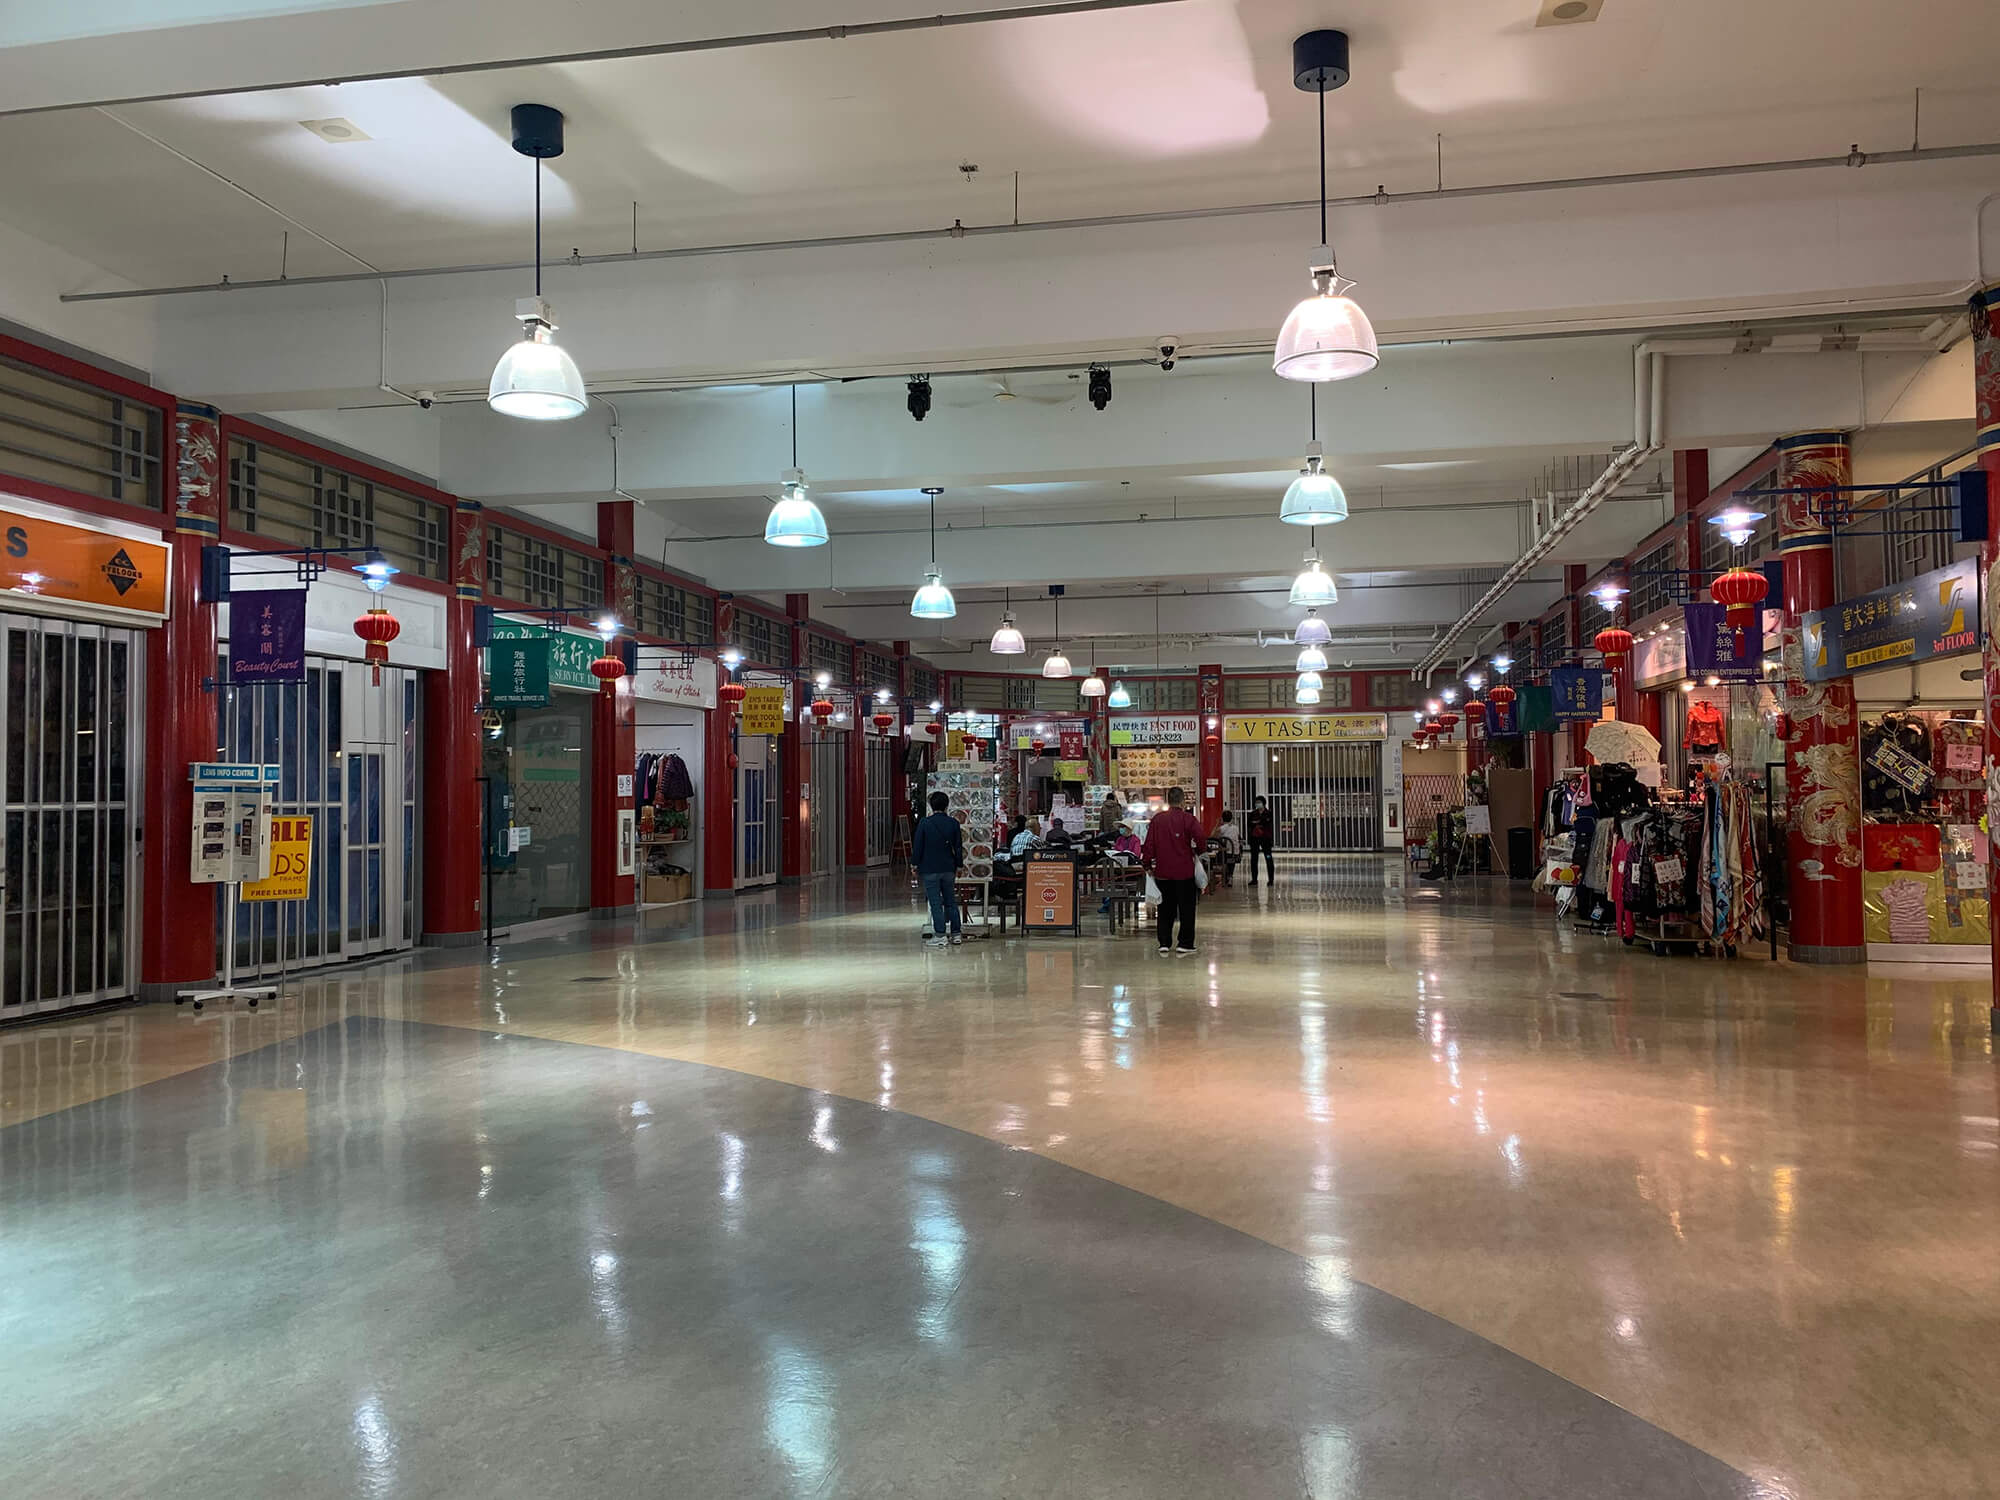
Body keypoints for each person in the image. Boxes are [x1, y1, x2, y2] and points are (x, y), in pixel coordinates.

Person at [1142, 786, 1206, 955]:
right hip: (1184, 872)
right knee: (1186, 909)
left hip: (1163, 872)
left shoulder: (1157, 820)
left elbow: (1149, 845)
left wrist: (1147, 865)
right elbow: (1201, 839)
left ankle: (1164, 942)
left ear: (1168, 801)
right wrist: (1198, 852)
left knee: (1164, 909)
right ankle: (1184, 943)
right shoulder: (1189, 819)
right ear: (1183, 801)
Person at [911, 791, 965, 946]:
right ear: (947, 805)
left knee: (935, 903)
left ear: (931, 805)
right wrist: (959, 865)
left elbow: (918, 846)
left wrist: (914, 864)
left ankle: (940, 934)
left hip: (930, 869)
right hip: (949, 868)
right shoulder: (953, 823)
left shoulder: (924, 823)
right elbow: (958, 847)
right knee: (951, 902)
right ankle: (956, 934)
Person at [1246, 795, 1276, 886]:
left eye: (1259, 802)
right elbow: (1250, 824)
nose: (1257, 804)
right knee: (1254, 859)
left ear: (1263, 803)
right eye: (1256, 802)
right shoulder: (1252, 814)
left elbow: (1267, 823)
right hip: (1255, 839)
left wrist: (1257, 823)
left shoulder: (1269, 813)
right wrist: (1259, 823)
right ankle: (1254, 879)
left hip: (1265, 839)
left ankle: (1271, 880)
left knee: (1268, 858)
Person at [1215, 809, 1243, 886]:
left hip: (1224, 854)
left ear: (1222, 818)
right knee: (1231, 860)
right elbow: (1239, 838)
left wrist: (1217, 824)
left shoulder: (1222, 828)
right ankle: (1230, 876)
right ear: (1231, 818)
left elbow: (1212, 836)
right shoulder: (1236, 828)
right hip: (1235, 853)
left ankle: (1225, 876)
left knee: (1222, 856)